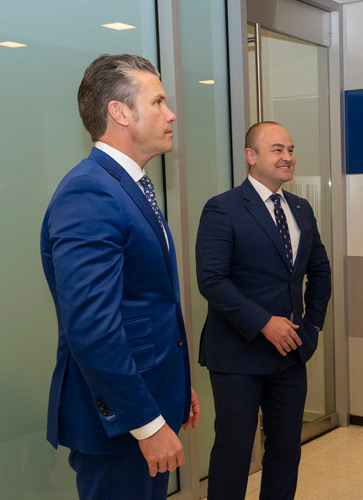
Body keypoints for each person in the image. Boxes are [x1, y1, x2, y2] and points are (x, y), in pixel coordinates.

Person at [41, 54, 200, 500]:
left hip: (147, 398)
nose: (171, 114)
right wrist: (146, 424)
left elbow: (146, 303)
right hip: (120, 425)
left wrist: (175, 385)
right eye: (158, 102)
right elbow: (92, 327)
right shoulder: (90, 191)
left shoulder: (129, 185)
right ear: (120, 112)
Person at [196, 121, 331, 500]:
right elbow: (212, 280)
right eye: (277, 150)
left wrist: (312, 326)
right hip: (238, 355)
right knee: (234, 453)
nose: (288, 157)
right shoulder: (223, 208)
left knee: (286, 451)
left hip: (291, 355)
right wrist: (264, 323)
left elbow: (320, 271)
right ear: (251, 156)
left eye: (290, 149)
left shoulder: (301, 208)